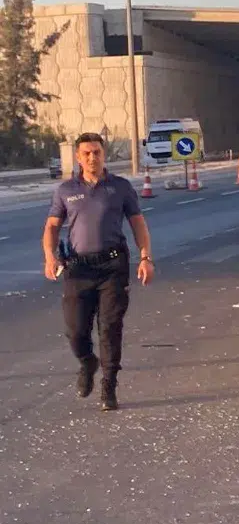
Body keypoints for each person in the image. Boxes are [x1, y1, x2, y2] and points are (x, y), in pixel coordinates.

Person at [42, 132, 154, 411]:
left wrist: (145, 257)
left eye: (97, 152)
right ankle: (87, 362)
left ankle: (109, 385)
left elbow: (138, 223)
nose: (93, 157)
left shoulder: (120, 187)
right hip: (78, 269)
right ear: (78, 158)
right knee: (76, 331)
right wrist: (50, 257)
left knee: (110, 327)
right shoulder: (65, 190)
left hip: (112, 267)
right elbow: (52, 227)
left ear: (104, 155)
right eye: (87, 153)